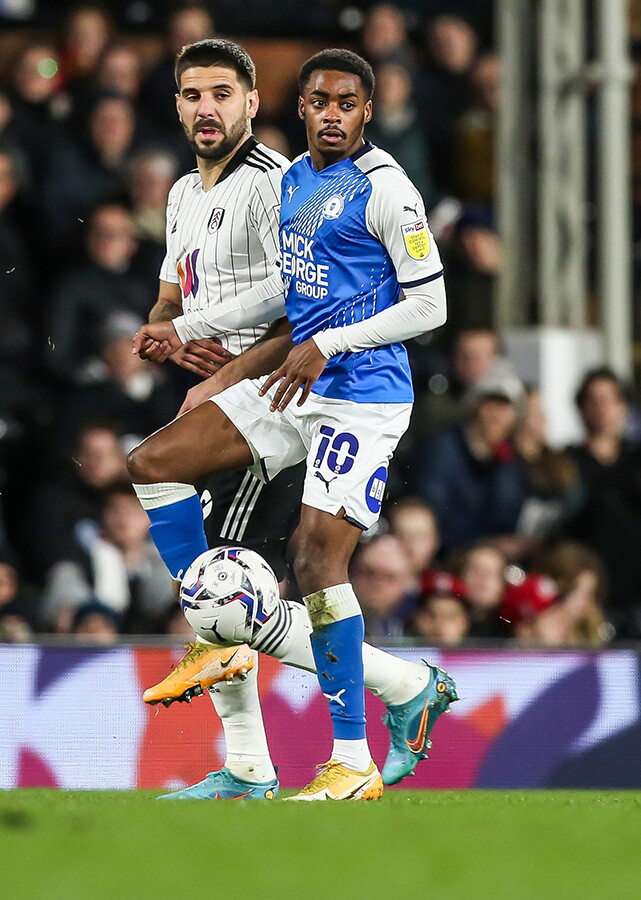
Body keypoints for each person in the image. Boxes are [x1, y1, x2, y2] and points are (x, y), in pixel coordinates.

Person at [129, 43, 457, 801]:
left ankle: (351, 761)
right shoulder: (299, 182)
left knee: (313, 560)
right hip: (295, 380)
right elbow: (283, 287)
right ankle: (233, 634)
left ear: (365, 112)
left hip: (362, 392)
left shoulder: (387, 191)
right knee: (152, 463)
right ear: (299, 107)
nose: (331, 115)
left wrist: (325, 343)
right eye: (318, 103)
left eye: (346, 104)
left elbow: (432, 305)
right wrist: (188, 326)